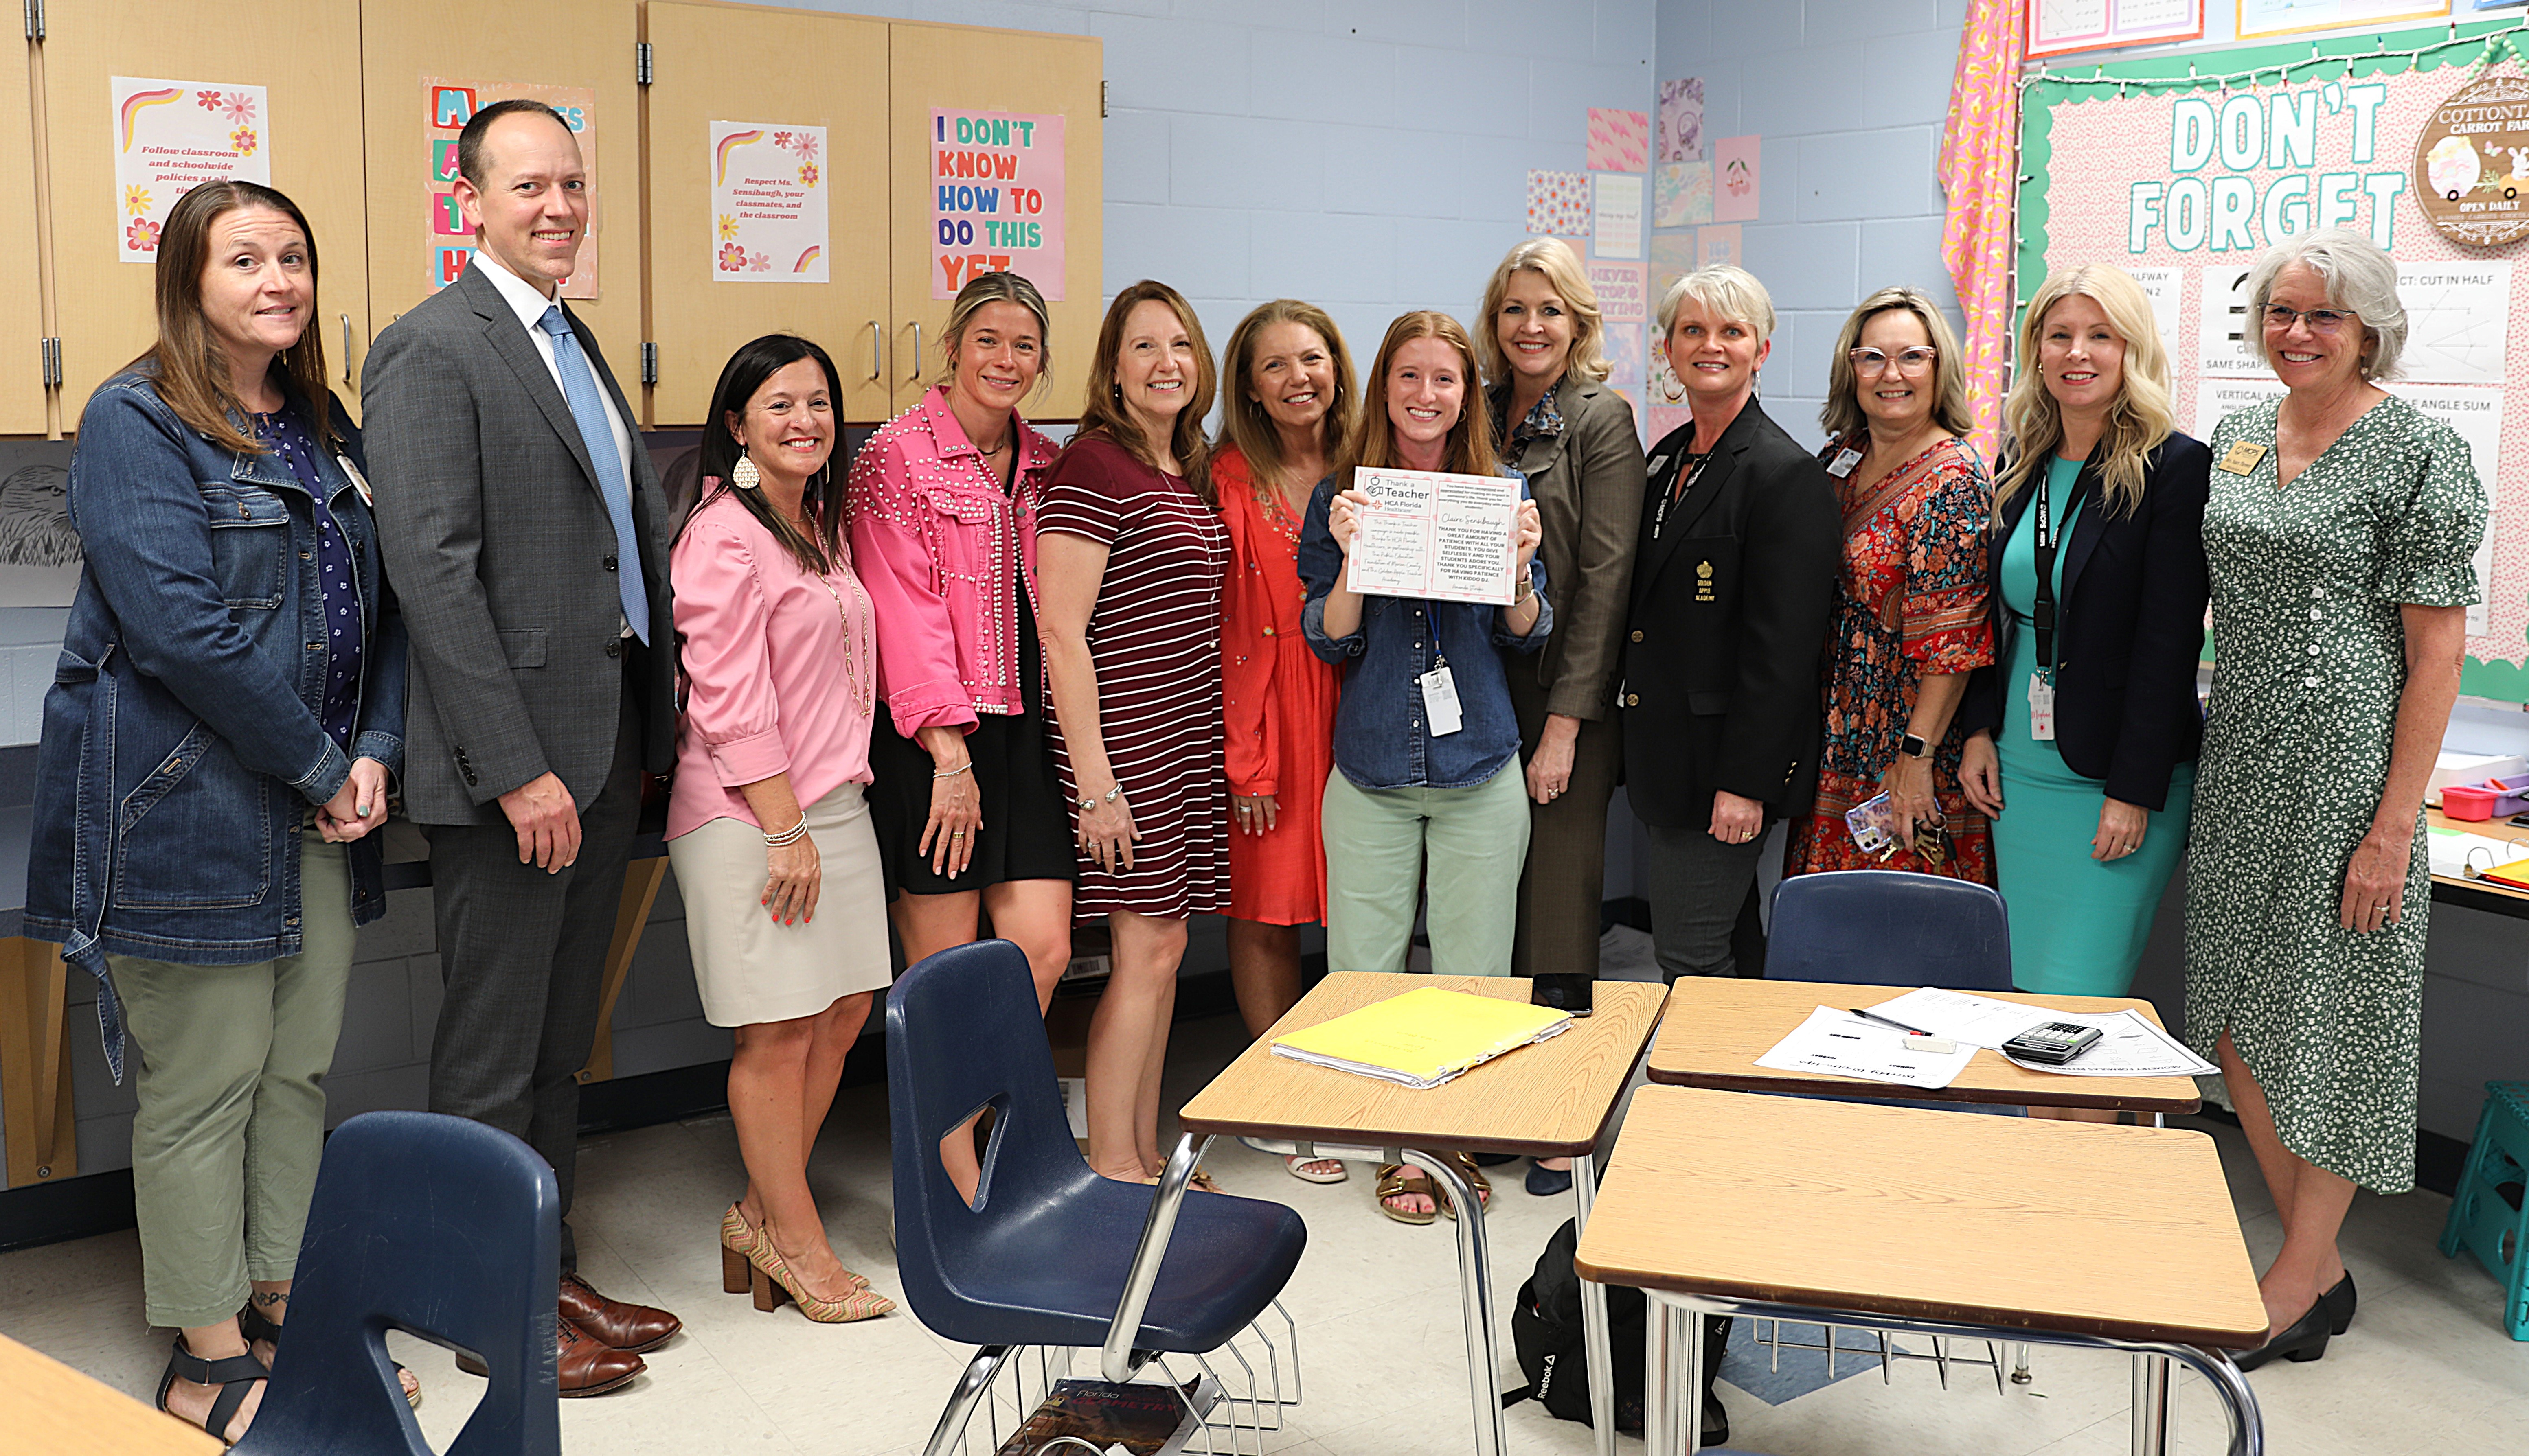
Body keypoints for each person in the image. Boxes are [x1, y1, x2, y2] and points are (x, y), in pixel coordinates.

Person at [24, 180, 406, 1442]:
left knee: (295, 1070)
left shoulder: (319, 421)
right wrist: (322, 765)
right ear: (190, 279)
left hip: (325, 799)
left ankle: (283, 1297)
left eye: (294, 255)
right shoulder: (135, 419)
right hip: (185, 808)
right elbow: (179, 630)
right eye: (245, 258)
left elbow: (381, 607)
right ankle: (205, 1357)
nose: (278, 279)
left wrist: (379, 751)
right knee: (206, 1085)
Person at [365, 98, 680, 1396]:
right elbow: (431, 575)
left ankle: (544, 1264)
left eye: (572, 182)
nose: (558, 205)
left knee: (560, 1044)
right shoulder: (433, 349)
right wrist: (514, 770)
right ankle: (479, 1301)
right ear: (471, 202)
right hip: (517, 775)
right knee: (493, 1054)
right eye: (528, 186)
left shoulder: (570, 339)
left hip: (602, 750)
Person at [2184, 229, 2483, 1369]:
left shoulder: (2417, 451)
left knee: (2336, 1026)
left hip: (2352, 776)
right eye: (2279, 312)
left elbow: (2437, 653)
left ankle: (2292, 1281)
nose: (2297, 333)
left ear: (2368, 331)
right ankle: (2326, 1267)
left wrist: (2393, 824)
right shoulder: (2244, 436)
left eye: (2324, 316)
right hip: (2242, 758)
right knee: (2225, 1010)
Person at [1300, 311, 1548, 1224]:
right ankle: (1390, 1147)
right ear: (1384, 388)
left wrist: (1520, 570)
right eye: (1409, 376)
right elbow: (1328, 639)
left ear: (1467, 393)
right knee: (1364, 977)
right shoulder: (1343, 496)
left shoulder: (1500, 492)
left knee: (1473, 977)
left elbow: (1531, 631)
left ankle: (1448, 1143)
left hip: (1478, 766)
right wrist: (1355, 554)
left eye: (1444, 378)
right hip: (1370, 771)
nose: (1426, 395)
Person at [668, 335, 895, 1324]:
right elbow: (726, 695)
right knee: (779, 1031)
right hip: (752, 816)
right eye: (778, 405)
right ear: (737, 425)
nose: (804, 421)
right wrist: (782, 827)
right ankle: (799, 1247)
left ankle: (761, 1213)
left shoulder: (817, 527)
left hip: (837, 806)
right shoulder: (724, 533)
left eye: (818, 402)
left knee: (843, 1015)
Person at [846, 272, 1070, 1200]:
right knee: (942, 977)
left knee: (1040, 951)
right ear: (950, 348)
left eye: (1023, 345)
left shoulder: (1047, 461)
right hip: (931, 738)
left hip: (1024, 732)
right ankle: (944, 1192)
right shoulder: (896, 457)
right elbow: (898, 611)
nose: (1004, 360)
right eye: (987, 340)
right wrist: (947, 755)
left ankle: (961, 1149)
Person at [1957, 267, 2210, 1082]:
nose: (2078, 353)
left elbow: (2168, 644)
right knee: (2023, 1000)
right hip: (2022, 777)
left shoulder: (2174, 467)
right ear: (2036, 352)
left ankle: (2081, 1179)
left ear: (2131, 349)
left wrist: (2134, 789)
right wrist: (1977, 732)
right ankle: (2044, 1179)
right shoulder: (2021, 460)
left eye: (2099, 335)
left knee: (2073, 1008)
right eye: (2059, 335)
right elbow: (2001, 621)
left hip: (2118, 777)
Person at [1037, 280, 1231, 1185]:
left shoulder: (1175, 470)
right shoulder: (1093, 466)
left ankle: (1147, 1150)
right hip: (1127, 748)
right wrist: (1096, 782)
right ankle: (1114, 1160)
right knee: (1143, 951)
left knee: (1166, 950)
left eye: (1181, 346)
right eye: (1145, 348)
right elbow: (1060, 632)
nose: (1167, 364)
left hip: (1184, 740)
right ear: (1113, 369)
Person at [1621, 265, 1838, 985]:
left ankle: (1692, 1095)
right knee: (1728, 938)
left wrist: (1745, 783)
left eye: (1731, 331)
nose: (1710, 346)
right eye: (1693, 330)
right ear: (1669, 348)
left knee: (1687, 953)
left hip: (1722, 768)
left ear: (1762, 349)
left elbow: (1782, 652)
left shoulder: (1783, 473)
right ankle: (1742, 1089)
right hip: (1669, 757)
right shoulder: (1667, 459)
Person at [1785, 287, 1996, 885]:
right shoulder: (1838, 460)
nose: (1891, 374)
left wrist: (1915, 758)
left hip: (1903, 745)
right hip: (1836, 737)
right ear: (1851, 369)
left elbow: (1953, 644)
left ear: (1940, 367)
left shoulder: (1952, 479)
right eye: (1872, 357)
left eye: (1912, 357)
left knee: (1901, 932)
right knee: (1824, 935)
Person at [1213, 300, 1356, 1185]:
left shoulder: (1366, 465)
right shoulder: (1231, 475)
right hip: (1268, 711)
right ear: (1251, 388)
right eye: (1275, 366)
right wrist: (1248, 755)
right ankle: (1278, 1102)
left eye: (1311, 359)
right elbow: (1232, 626)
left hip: (1358, 709)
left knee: (1356, 906)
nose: (1297, 378)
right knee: (1267, 909)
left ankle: (1345, 1085)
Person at [1479, 239, 1647, 980]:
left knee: (1553, 903)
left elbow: (1608, 582)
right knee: (1483, 894)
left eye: (1551, 309)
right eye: (1515, 308)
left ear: (1578, 323)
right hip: (1479, 692)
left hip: (1563, 695)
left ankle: (1558, 1082)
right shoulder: (1473, 412)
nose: (1532, 325)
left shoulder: (1600, 418)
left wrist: (1565, 725)